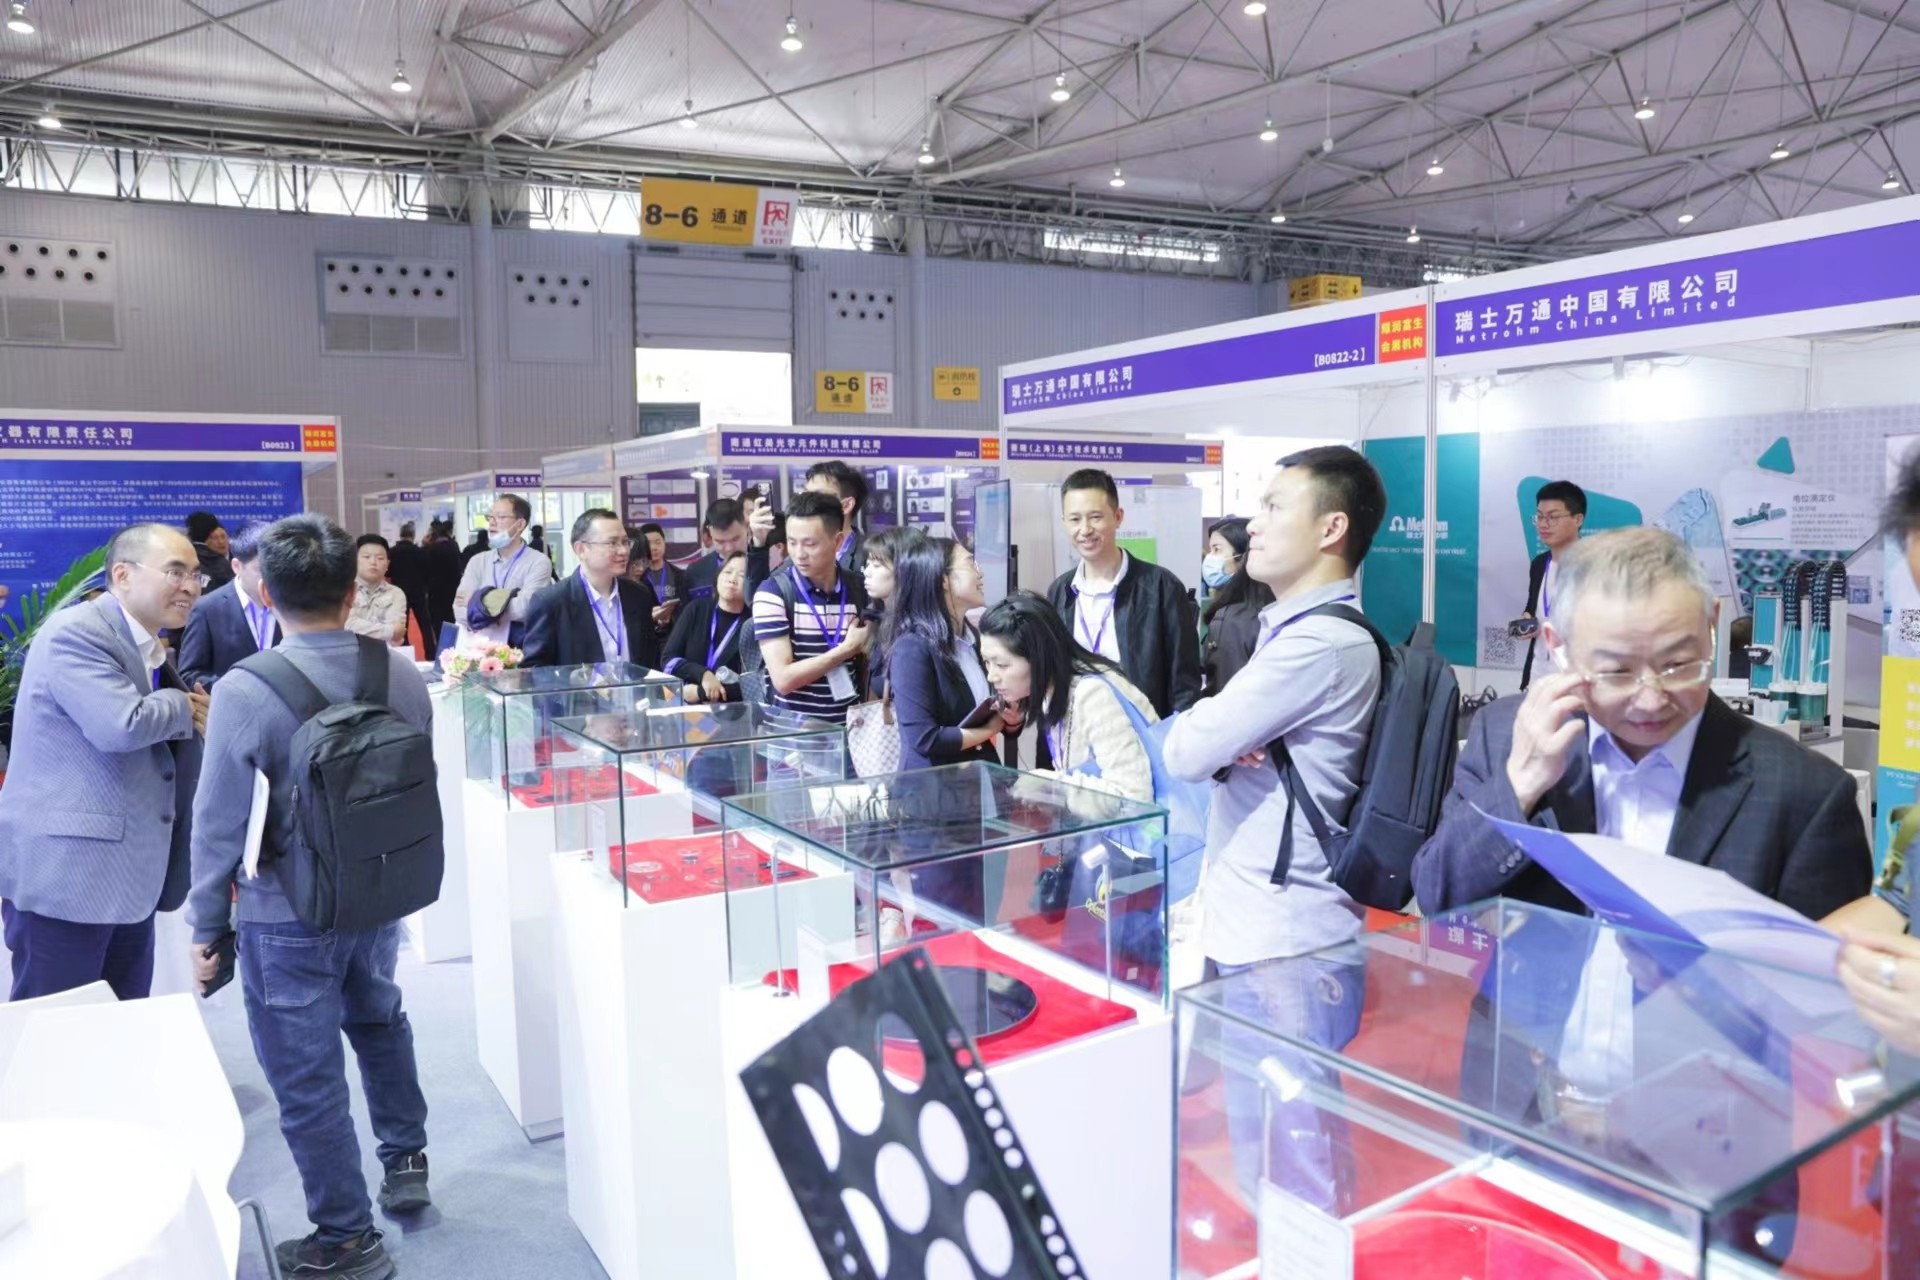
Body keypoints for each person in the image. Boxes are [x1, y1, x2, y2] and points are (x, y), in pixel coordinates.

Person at [185, 514, 431, 1279]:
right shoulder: (397, 673)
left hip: (283, 911)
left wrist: (206, 925)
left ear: (264, 589)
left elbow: (218, 820)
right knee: (380, 1019)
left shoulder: (246, 689)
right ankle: (407, 1158)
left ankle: (346, 1236)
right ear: (352, 588)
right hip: (379, 892)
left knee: (306, 1074)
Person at [1413, 526, 1870, 923]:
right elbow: (1438, 895)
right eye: (1616, 672)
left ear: (1712, 624)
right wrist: (1520, 785)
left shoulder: (1805, 792)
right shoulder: (1504, 734)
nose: (1651, 700)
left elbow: (1824, 979)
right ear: (1557, 646)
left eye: (1679, 664)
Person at [1163, 446, 1388, 1210]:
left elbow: (1186, 749)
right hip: (1264, 920)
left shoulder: (1318, 643)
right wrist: (1227, 730)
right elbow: (1211, 740)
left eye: (1272, 507)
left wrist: (1220, 729)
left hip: (1285, 934)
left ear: (1331, 528)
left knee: (1295, 1154)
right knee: (1270, 1138)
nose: (1252, 525)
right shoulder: (1298, 632)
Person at [0, 524, 209, 999]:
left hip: (126, 879)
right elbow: (121, 724)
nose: (190, 587)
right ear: (122, 574)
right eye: (175, 572)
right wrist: (185, 706)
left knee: (121, 1023)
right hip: (68, 878)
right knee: (58, 1026)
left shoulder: (150, 645)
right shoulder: (77, 632)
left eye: (196, 575)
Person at [1044, 468, 1200, 719]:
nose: (1085, 529)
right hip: (1080, 730)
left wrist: (1173, 736)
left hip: (1144, 730)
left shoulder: (1161, 587)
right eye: (1074, 519)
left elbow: (1185, 683)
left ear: (1118, 517)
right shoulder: (1060, 592)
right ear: (1064, 522)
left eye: (1095, 517)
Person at [978, 592, 1155, 803]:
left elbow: (1135, 797)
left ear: (1039, 657)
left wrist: (1053, 785)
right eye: (986, 662)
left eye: (1002, 665)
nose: (991, 676)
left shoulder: (1092, 695)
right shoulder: (1053, 690)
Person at [884, 537, 1002, 770]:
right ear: (943, 580)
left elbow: (986, 710)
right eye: (970, 563)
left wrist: (1010, 719)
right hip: (933, 785)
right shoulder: (911, 648)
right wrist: (989, 730)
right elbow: (925, 738)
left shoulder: (973, 638)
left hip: (977, 777)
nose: (980, 573)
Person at [753, 489, 870, 724]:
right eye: (792, 542)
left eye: (810, 544)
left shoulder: (859, 588)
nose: (799, 554)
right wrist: (846, 649)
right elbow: (783, 680)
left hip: (851, 731)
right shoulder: (773, 592)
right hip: (793, 736)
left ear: (837, 541)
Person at [521, 509, 660, 670]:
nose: (623, 551)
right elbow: (536, 670)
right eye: (612, 543)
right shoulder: (551, 602)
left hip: (635, 687)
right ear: (581, 549)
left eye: (625, 542)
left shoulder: (638, 595)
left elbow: (651, 659)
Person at [179, 521, 281, 689]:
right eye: (261, 570)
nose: (271, 577)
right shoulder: (207, 609)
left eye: (276, 568)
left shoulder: (291, 601)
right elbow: (189, 674)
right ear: (237, 566)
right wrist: (236, 689)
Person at [745, 463, 868, 598]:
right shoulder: (797, 555)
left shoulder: (871, 556)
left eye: (817, 496)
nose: (808, 502)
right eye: (805, 494)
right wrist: (759, 543)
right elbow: (758, 599)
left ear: (846, 506)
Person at [453, 493, 554, 648]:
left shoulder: (538, 562)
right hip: (478, 649)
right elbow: (459, 609)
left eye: (500, 517)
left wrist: (474, 603)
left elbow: (524, 609)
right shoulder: (477, 561)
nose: (492, 523)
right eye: (490, 517)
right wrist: (502, 610)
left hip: (520, 649)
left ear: (520, 524)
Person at [1520, 480, 1587, 690]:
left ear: (1577, 519)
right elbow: (1534, 607)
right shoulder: (1539, 564)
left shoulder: (1596, 564)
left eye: (1553, 517)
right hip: (1538, 676)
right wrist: (1528, 618)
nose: (1543, 524)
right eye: (1540, 516)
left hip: (1579, 680)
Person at [1198, 517, 1274, 696]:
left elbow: (1226, 688)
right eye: (1210, 550)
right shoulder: (1268, 606)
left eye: (1217, 549)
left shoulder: (1232, 619)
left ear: (1242, 557)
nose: (1210, 558)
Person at [661, 551, 749, 702]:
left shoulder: (752, 624)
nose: (732, 580)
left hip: (730, 710)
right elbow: (668, 661)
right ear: (717, 576)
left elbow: (754, 684)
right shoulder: (696, 608)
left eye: (741, 575)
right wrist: (703, 674)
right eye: (728, 572)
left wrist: (700, 693)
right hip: (684, 703)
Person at [346, 534, 410, 646]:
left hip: (386, 654)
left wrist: (358, 626)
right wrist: (390, 631)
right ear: (355, 561)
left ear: (387, 564)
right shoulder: (344, 590)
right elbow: (347, 625)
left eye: (380, 558)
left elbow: (396, 638)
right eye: (367, 557)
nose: (373, 562)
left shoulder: (396, 594)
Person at [685, 498, 752, 602]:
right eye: (720, 542)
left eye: (735, 539)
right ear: (710, 534)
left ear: (747, 527)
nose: (729, 548)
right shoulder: (695, 572)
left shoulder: (765, 563)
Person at [632, 520, 688, 640]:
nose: (654, 547)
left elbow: (685, 608)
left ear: (664, 543)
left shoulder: (680, 575)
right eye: (648, 543)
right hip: (645, 637)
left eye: (658, 542)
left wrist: (670, 619)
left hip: (674, 636)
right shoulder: (636, 577)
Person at [386, 521, 432, 657]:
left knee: (402, 625)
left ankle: (404, 651)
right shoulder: (420, 552)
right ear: (413, 535)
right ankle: (430, 652)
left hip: (399, 592)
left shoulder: (392, 552)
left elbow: (388, 573)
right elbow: (427, 572)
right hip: (418, 592)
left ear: (400, 535)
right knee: (425, 625)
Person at [423, 519, 463, 643]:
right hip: (452, 589)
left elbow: (426, 569)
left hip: (436, 590)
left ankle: (442, 645)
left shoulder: (432, 548)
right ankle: (454, 644)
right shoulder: (453, 545)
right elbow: (458, 568)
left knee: (437, 621)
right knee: (451, 618)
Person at [187, 511, 235, 591]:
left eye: (223, 536)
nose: (220, 542)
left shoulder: (239, 560)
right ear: (206, 540)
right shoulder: (218, 564)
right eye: (214, 538)